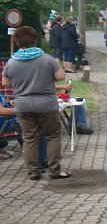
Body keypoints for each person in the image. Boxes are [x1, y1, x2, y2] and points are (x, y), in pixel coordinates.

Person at [1, 26, 71, 180]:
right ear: (35, 40)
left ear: (17, 42)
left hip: (23, 105)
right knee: (52, 137)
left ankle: (33, 172)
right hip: (46, 104)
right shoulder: (46, 58)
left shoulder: (12, 62)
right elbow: (61, 76)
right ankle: (54, 170)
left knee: (29, 138)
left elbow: (5, 82)